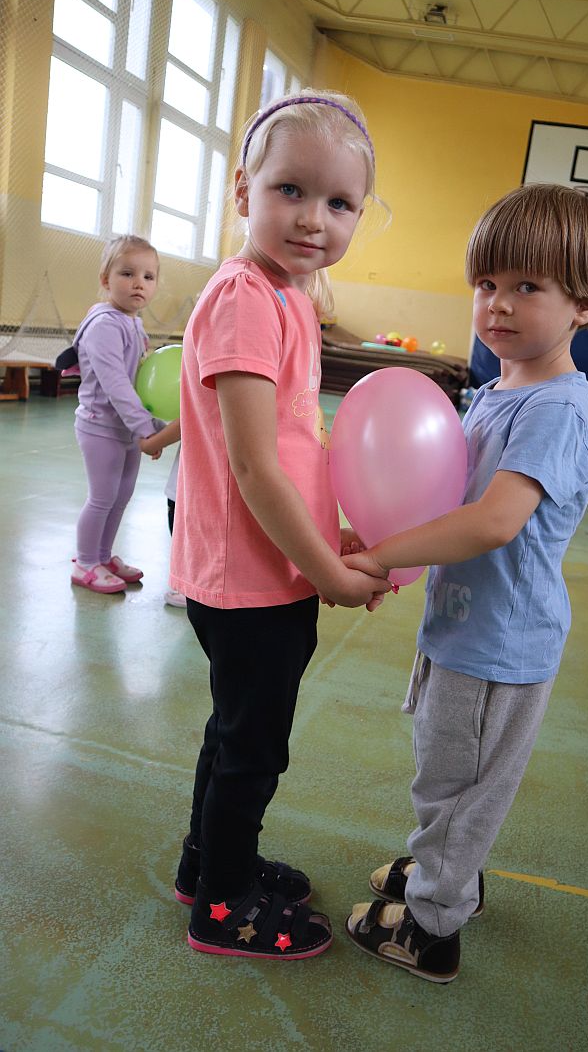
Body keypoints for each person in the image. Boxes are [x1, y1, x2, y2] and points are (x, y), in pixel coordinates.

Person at [341, 183, 588, 983]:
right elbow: (440, 496)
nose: (497, 303)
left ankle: (433, 924)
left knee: (458, 785)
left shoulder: (555, 411)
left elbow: (494, 520)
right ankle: (448, 870)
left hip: (499, 645)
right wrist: (383, 537)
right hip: (463, 625)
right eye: (486, 283)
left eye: (528, 286)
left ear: (585, 305)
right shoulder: (498, 391)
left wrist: (383, 556)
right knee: (446, 772)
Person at [168, 90, 391, 961]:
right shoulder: (245, 298)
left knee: (234, 731)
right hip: (249, 578)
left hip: (274, 567)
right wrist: (329, 574)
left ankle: (207, 863)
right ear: (243, 191)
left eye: (339, 203)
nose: (312, 219)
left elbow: (298, 447)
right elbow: (254, 468)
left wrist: (331, 535)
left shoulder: (291, 297)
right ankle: (224, 908)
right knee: (254, 748)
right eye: (290, 190)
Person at [71, 235, 166, 594]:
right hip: (100, 427)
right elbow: (116, 385)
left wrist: (153, 425)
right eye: (127, 273)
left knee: (121, 497)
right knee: (102, 497)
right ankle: (85, 563)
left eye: (148, 276)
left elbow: (139, 381)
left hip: (127, 429)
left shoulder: (133, 323)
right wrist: (146, 430)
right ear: (105, 279)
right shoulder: (105, 325)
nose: (139, 283)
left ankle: (102, 555)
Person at [139, 418, 186, 607]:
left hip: (195, 482)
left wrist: (151, 444)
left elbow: (189, 418)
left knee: (185, 530)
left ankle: (192, 587)